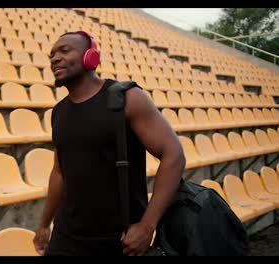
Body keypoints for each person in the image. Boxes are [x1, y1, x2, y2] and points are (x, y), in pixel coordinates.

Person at [33, 31, 186, 256]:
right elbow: (59, 172)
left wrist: (146, 226)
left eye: (65, 50)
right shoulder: (59, 112)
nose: (55, 58)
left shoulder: (127, 98)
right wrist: (45, 224)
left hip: (119, 239)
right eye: (52, 54)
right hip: (66, 236)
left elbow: (174, 155)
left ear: (91, 57)